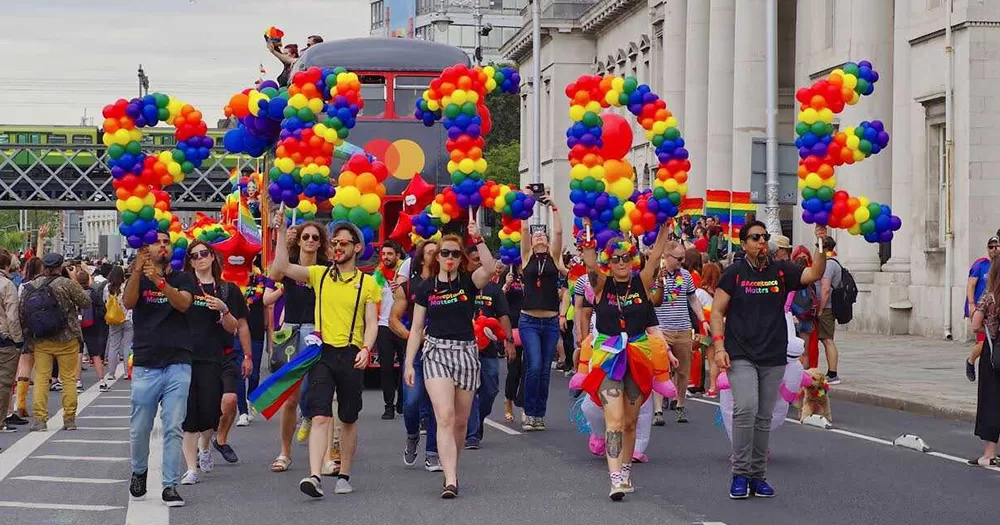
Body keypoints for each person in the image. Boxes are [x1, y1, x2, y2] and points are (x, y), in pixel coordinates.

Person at [710, 221, 827, 500]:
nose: (762, 242)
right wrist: (718, 347)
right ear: (744, 244)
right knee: (746, 410)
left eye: (764, 237)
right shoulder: (734, 274)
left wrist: (821, 243)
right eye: (755, 237)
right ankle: (740, 474)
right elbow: (716, 312)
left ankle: (758, 476)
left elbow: (814, 273)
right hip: (741, 353)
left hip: (773, 356)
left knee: (764, 417)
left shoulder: (781, 271)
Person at [273, 219, 379, 498]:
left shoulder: (366, 283)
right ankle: (315, 476)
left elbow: (371, 322)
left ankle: (344, 473)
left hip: (351, 353)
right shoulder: (319, 274)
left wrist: (367, 349)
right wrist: (282, 233)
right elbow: (282, 268)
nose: (338, 247)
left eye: (343, 243)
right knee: (320, 415)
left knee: (347, 418)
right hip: (323, 353)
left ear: (356, 248)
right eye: (334, 243)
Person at [578, 224, 670, 500]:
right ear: (609, 261)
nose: (621, 263)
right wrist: (588, 235)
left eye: (626, 257)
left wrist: (664, 227)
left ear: (632, 259)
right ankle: (615, 477)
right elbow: (590, 263)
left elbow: (656, 257)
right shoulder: (601, 284)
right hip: (608, 357)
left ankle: (626, 469)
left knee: (630, 422)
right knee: (614, 421)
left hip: (638, 356)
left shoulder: (642, 281)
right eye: (615, 258)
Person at [404, 223, 495, 499]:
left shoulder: (468, 281)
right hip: (436, 352)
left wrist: (478, 238)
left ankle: (450, 465)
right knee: (444, 416)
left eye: (455, 254)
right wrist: (409, 363)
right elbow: (417, 328)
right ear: (437, 257)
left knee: (460, 421)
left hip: (466, 351)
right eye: (445, 253)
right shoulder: (425, 287)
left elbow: (490, 269)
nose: (450, 258)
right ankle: (451, 479)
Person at [123, 233, 197, 507]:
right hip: (146, 362)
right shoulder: (139, 278)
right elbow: (129, 303)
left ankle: (169, 485)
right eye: (158, 242)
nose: (163, 246)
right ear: (147, 249)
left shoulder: (182, 278)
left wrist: (159, 282)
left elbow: (183, 304)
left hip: (179, 360)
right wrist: (136, 273)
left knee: (173, 426)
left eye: (167, 242)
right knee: (140, 427)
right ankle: (139, 471)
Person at [263, 221, 329, 473]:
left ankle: (322, 454)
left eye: (315, 237)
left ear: (320, 242)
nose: (310, 240)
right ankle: (284, 452)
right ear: (299, 240)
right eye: (306, 237)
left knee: (317, 393)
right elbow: (277, 270)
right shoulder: (289, 267)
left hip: (316, 332)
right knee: (290, 399)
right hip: (290, 332)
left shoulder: (325, 269)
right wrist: (281, 234)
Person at [20, 252, 91, 432]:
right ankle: (69, 418)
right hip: (67, 338)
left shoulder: (30, 286)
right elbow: (86, 301)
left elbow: (23, 313)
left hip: (42, 339)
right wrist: (73, 278)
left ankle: (40, 420)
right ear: (61, 267)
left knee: (42, 378)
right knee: (68, 378)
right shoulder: (66, 284)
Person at [393, 240, 442, 471]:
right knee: (411, 403)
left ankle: (432, 452)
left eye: (438, 253)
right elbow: (393, 319)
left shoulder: (446, 283)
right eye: (431, 253)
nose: (436, 257)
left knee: (436, 405)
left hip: (441, 352)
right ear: (422, 259)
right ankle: (412, 435)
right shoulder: (408, 286)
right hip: (415, 352)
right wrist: (411, 336)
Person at [518, 194, 563, 431]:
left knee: (545, 369)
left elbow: (558, 234)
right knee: (534, 365)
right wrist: (527, 202)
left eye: (541, 234)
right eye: (536, 235)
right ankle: (528, 410)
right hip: (529, 321)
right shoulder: (527, 258)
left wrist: (553, 206)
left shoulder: (554, 258)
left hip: (551, 320)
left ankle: (539, 414)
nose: (538, 236)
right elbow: (524, 230)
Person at [651, 241, 708, 425]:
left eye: (683, 258)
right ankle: (658, 411)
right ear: (666, 257)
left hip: (683, 328)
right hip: (661, 329)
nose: (682, 262)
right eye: (678, 258)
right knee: (660, 370)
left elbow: (692, 299)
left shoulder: (686, 276)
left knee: (683, 371)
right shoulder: (655, 276)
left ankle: (680, 404)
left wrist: (703, 320)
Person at [465, 253, 513, 449]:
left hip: (489, 348)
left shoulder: (494, 289)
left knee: (491, 389)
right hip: (465, 347)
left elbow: (503, 316)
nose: (478, 262)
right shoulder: (463, 286)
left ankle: (477, 419)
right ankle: (473, 434)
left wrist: (508, 342)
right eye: (474, 258)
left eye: (481, 259)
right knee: (469, 391)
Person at [969, 256, 1000, 467]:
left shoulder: (989, 297)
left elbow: (975, 325)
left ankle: (989, 455)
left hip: (993, 352)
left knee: (991, 400)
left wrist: (989, 330)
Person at [376, 241, 406, 420]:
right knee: (386, 368)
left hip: (402, 325)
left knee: (405, 365)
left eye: (389, 254)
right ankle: (389, 406)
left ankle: (403, 400)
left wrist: (400, 288)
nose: (386, 257)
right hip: (383, 326)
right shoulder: (377, 276)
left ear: (397, 256)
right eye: (383, 254)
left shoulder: (405, 274)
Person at [12, 256, 43, 419]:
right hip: (44, 329)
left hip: (26, 327)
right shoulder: (45, 283)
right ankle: (40, 404)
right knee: (42, 367)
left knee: (24, 364)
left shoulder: (23, 286)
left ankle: (20, 402)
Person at [0, 250, 25, 433]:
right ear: (7, 265)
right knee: (4, 383)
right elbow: (12, 316)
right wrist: (17, 340)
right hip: (4, 339)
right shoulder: (7, 285)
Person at [966, 238, 997, 382]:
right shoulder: (981, 265)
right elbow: (971, 285)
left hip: (994, 312)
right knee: (983, 341)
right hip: (983, 310)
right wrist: (971, 305)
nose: (994, 249)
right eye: (991, 247)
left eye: (997, 246)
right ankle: (971, 361)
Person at [76, 270, 110, 392]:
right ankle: (102, 381)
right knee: (95, 354)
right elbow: (102, 309)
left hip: (77, 326)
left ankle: (78, 382)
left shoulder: (75, 293)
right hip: (92, 325)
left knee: (78, 354)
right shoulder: (94, 293)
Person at [816, 236, 842, 385]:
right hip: (826, 306)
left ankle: (832, 373)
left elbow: (825, 289)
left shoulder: (829, 264)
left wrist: (819, 309)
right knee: (826, 339)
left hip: (826, 307)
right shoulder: (830, 262)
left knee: (827, 340)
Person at [501, 264, 525, 424]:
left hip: (530, 326)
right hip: (512, 327)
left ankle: (524, 405)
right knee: (514, 369)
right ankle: (508, 401)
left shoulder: (533, 273)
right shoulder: (508, 273)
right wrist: (506, 285)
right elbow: (498, 299)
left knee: (529, 370)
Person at [696, 263, 722, 396]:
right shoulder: (720, 291)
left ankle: (709, 387)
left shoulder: (699, 293)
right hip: (720, 328)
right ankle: (714, 387)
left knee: (707, 357)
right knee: (715, 358)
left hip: (705, 330)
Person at [104, 265, 132, 381]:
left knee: (113, 346)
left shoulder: (107, 288)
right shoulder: (126, 286)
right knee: (127, 346)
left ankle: (111, 373)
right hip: (127, 318)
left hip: (113, 318)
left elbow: (105, 302)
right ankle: (126, 372)